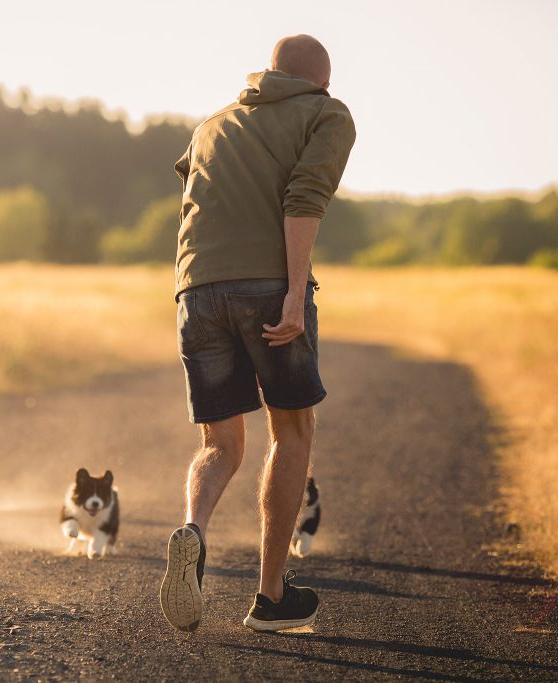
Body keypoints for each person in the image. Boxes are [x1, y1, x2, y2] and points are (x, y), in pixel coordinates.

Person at [159, 34, 355, 633]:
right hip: (268, 286)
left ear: (269, 74)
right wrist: (295, 294)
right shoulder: (327, 113)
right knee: (291, 428)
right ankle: (270, 599)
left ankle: (192, 530)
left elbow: (195, 197)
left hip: (196, 289)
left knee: (220, 443)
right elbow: (304, 199)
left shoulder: (213, 124)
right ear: (321, 80)